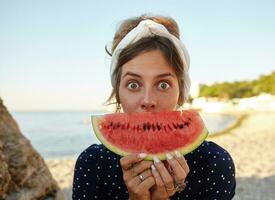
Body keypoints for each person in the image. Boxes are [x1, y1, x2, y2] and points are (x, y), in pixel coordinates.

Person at [72, 14, 236, 200]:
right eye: (133, 84)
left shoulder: (214, 163)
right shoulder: (92, 164)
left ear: (181, 91)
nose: (148, 100)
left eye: (163, 84)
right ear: (117, 92)